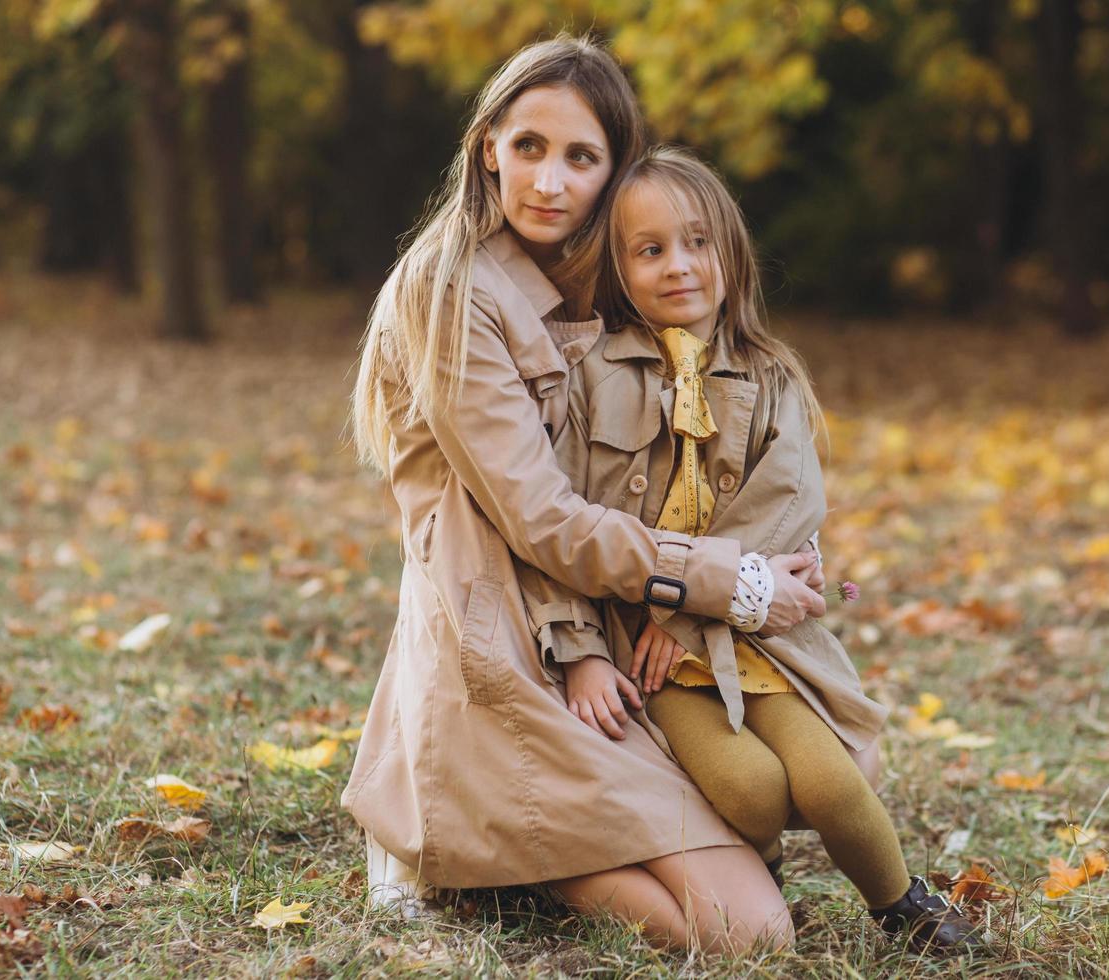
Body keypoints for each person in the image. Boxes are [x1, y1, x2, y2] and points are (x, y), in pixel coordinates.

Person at [344, 36, 828, 953]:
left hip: (606, 630)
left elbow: (671, 463)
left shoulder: (603, 281)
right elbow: (540, 518)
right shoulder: (450, 291)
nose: (549, 182)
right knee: (748, 937)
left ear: (614, 172)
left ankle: (493, 831)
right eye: (529, 146)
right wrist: (730, 579)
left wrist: (776, 538)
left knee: (759, 903)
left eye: (581, 157)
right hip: (497, 638)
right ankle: (467, 837)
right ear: (488, 145)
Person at [523, 145, 982, 952]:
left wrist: (692, 614)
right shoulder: (593, 376)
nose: (679, 267)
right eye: (650, 249)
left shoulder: (772, 377)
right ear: (619, 269)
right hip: (648, 654)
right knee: (752, 789)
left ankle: (905, 906)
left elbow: (787, 507)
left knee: (833, 782)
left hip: (746, 634)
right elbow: (558, 530)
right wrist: (582, 647)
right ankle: (741, 860)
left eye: (697, 242)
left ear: (730, 252)